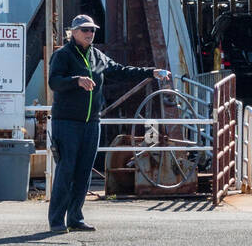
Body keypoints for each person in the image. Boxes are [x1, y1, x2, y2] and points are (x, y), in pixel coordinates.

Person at [46, 15, 170, 232]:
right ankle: (56, 220)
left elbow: (121, 71)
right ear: (73, 32)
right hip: (67, 122)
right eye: (85, 29)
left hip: (92, 122)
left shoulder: (97, 56)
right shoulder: (63, 55)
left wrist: (151, 72)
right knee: (66, 170)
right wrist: (76, 81)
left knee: (84, 171)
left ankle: (75, 217)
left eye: (92, 30)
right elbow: (54, 81)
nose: (90, 33)